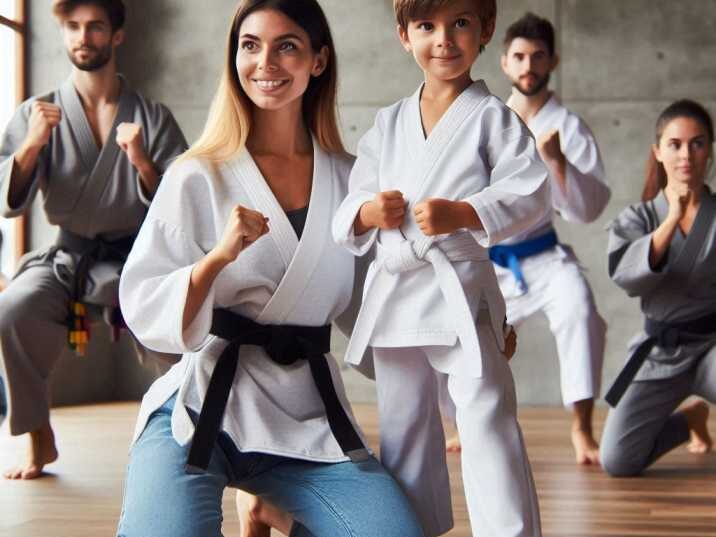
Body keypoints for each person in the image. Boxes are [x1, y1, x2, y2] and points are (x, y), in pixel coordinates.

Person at [115, 2, 425, 536]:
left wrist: (476, 331)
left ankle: (270, 506)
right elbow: (144, 302)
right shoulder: (197, 175)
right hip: (200, 410)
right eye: (250, 45)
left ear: (318, 60)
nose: (266, 62)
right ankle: (263, 503)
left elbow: (382, 300)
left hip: (306, 420)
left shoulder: (353, 183)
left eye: (287, 46)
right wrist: (216, 259)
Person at [331, 1, 549, 535]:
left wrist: (466, 212)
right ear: (404, 35)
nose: (444, 40)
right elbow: (354, 198)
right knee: (404, 423)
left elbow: (531, 190)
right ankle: (412, 526)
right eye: (427, 26)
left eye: (460, 24)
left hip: (460, 289)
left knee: (486, 415)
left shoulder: (495, 117)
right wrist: (366, 212)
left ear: (486, 31)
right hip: (399, 289)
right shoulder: (389, 122)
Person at [0, 0, 187, 480]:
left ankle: (192, 426)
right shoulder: (36, 113)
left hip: (138, 257)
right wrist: (31, 144)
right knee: (14, 308)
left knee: (179, 333)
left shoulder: (151, 116)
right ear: (64, 34)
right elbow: (8, 200)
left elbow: (186, 203)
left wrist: (142, 160)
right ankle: (36, 431)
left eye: (95, 27)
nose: (84, 37)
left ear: (116, 36)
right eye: (74, 27)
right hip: (68, 257)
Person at [442, 12, 610, 464]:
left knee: (581, 311)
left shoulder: (568, 127)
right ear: (503, 62)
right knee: (446, 326)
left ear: (553, 60)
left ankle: (581, 427)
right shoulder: (485, 119)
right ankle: (459, 422)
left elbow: (588, 210)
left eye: (538, 56)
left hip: (544, 256)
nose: (528, 65)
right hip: (491, 259)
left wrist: (557, 162)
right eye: (519, 56)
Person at [600, 99, 715, 477]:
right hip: (660, 350)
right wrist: (672, 222)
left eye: (697, 143)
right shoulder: (639, 217)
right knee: (617, 460)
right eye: (675, 144)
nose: (686, 154)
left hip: (711, 347)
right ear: (658, 151)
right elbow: (625, 276)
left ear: (710, 150)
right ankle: (690, 420)